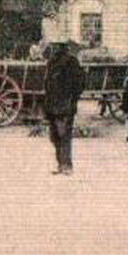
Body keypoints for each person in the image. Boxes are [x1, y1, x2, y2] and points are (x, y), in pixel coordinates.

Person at [43, 40, 85, 175]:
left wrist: (73, 98)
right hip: (53, 104)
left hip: (65, 104)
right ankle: (61, 164)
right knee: (55, 136)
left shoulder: (71, 62)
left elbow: (79, 83)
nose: (53, 48)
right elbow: (47, 84)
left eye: (55, 46)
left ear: (62, 47)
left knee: (63, 135)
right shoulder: (51, 62)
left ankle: (67, 165)